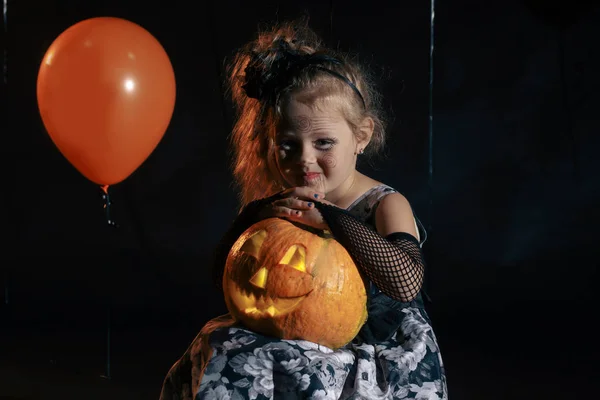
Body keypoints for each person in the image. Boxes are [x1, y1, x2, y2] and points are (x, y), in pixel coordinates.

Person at [160, 20, 447, 400]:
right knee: (222, 340)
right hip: (298, 330)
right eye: (288, 145)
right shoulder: (287, 201)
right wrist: (256, 215)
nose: (304, 160)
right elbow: (224, 276)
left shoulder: (385, 203)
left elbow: (406, 280)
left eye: (324, 143)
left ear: (361, 136)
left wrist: (334, 219)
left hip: (373, 347)